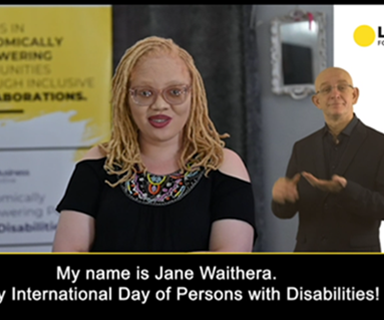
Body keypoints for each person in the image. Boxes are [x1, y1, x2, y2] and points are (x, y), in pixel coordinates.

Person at [53, 36, 256, 252]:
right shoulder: (98, 163)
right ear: (125, 98)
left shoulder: (224, 166)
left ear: (193, 96)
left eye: (175, 92)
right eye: (145, 93)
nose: (160, 105)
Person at [271, 67, 384, 252]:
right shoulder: (302, 148)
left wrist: (347, 190)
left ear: (355, 95)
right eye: (326, 89)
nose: (335, 94)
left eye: (342, 87)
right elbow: (284, 212)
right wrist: (282, 199)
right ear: (317, 101)